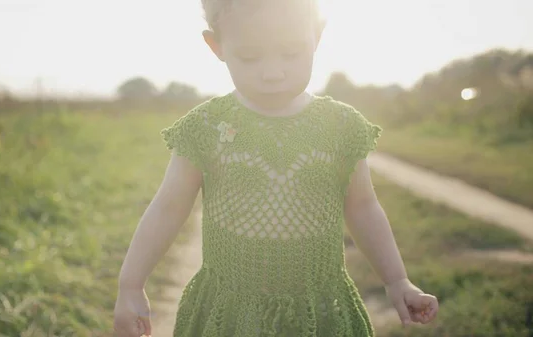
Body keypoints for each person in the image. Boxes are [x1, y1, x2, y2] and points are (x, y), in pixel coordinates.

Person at [113, 0, 439, 336]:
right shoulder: (207, 127)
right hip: (231, 310)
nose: (273, 72)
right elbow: (167, 207)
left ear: (317, 36)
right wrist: (131, 284)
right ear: (217, 46)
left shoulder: (341, 126)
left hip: (318, 307)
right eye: (251, 57)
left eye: (291, 53)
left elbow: (363, 206)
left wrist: (397, 280)